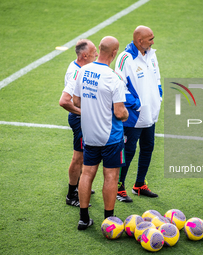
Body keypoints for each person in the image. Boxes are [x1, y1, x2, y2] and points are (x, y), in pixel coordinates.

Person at [73, 36, 128, 230]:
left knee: (87, 174)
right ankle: (109, 220)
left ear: (100, 50)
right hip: (110, 136)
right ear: (114, 53)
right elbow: (120, 112)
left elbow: (76, 102)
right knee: (111, 176)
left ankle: (83, 218)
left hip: (89, 134)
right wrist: (127, 113)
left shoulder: (83, 71)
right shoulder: (114, 78)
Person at [114, 26, 162, 203]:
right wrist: (137, 105)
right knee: (128, 151)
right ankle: (119, 187)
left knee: (148, 147)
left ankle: (139, 185)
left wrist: (159, 96)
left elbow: (157, 78)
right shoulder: (125, 58)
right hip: (133, 116)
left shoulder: (151, 54)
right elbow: (119, 86)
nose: (153, 41)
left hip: (151, 114)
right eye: (150, 39)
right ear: (139, 41)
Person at [59, 39, 98, 207]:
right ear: (85, 55)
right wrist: (85, 114)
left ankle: (81, 186)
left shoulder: (79, 67)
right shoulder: (76, 73)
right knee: (78, 157)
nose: (97, 54)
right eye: (94, 52)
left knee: (83, 156)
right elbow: (64, 101)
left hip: (81, 119)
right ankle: (71, 195)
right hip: (79, 120)